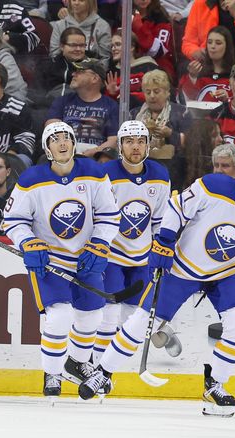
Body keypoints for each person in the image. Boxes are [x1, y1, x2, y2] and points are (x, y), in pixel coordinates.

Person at [78, 147, 235, 418]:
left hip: (228, 271)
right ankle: (103, 373)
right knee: (142, 321)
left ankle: (215, 384)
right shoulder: (212, 186)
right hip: (183, 267)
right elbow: (176, 209)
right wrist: (164, 241)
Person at [2, 121, 120, 398]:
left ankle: (77, 363)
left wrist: (101, 243)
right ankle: (52, 372)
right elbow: (14, 221)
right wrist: (27, 242)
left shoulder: (93, 173)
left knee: (93, 315)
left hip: (85, 258)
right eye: (55, 139)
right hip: (50, 260)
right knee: (59, 316)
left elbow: (109, 214)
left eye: (66, 137)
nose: (63, 142)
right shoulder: (32, 179)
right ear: (47, 147)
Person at [93, 120, 171, 365]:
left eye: (140, 141)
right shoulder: (107, 175)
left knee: (134, 314)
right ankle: (96, 366)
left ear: (148, 145)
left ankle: (115, 365)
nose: (135, 147)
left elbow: (159, 220)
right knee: (109, 314)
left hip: (142, 258)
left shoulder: (160, 175)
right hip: (112, 256)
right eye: (129, 141)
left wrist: (161, 249)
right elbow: (97, 216)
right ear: (120, 146)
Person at [46, 58, 119, 157]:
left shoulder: (111, 106)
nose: (73, 74)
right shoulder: (62, 101)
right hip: (65, 154)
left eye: (79, 72)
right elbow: (51, 129)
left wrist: (94, 152)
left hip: (96, 157)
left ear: (94, 78)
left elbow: (114, 141)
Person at [182, 0, 235, 64]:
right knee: (185, 67)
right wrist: (195, 52)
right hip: (210, 63)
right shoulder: (200, 4)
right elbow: (188, 42)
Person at [104, 30, 160, 108]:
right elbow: (106, 105)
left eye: (118, 44)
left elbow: (161, 94)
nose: (113, 49)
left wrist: (132, 96)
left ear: (131, 47)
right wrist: (112, 94)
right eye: (112, 46)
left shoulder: (149, 66)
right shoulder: (111, 72)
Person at [180, 26, 235, 102]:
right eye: (209, 42)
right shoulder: (197, 70)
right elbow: (189, 98)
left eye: (218, 43)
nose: (212, 46)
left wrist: (228, 99)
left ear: (227, 46)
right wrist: (192, 77)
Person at [49, 0, 112, 67]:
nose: (76, 3)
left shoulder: (103, 26)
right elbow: (54, 55)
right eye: (73, 0)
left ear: (90, 2)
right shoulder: (59, 25)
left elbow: (105, 59)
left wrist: (91, 75)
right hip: (63, 72)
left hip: (92, 73)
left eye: (81, 0)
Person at [37, 27, 88, 105]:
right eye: (73, 45)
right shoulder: (47, 66)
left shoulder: (92, 68)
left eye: (82, 45)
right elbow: (38, 93)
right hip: (49, 108)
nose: (78, 49)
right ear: (61, 46)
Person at [131, 0, 175, 82]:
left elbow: (159, 51)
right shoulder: (123, 16)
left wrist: (140, 28)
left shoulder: (161, 17)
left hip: (159, 67)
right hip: (130, 65)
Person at [181, 118, 222, 189]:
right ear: (202, 140)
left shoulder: (219, 164)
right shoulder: (181, 165)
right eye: (214, 136)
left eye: (220, 134)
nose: (221, 139)